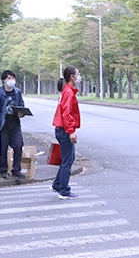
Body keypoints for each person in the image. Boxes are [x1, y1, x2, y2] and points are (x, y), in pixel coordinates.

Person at [0, 70, 27, 179]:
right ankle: (3, 170)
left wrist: (22, 113)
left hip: (14, 124)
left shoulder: (17, 92)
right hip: (3, 125)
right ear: (3, 80)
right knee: (3, 148)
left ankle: (16, 170)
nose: (11, 80)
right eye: (8, 78)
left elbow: (22, 105)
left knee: (18, 145)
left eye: (12, 78)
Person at [51, 66, 81, 200]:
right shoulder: (68, 92)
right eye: (78, 74)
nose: (80, 76)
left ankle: (57, 184)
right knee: (68, 161)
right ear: (72, 77)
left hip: (61, 129)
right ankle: (64, 190)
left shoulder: (67, 91)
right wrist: (71, 131)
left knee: (67, 159)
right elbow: (66, 113)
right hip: (64, 130)